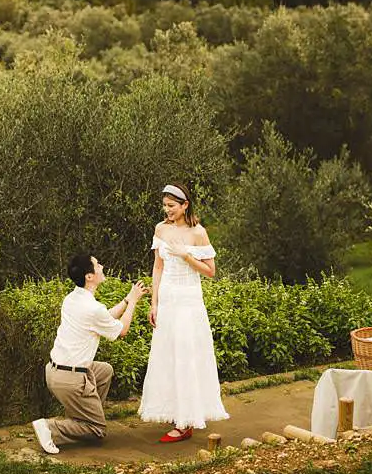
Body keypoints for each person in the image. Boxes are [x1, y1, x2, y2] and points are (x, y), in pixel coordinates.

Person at [138, 182, 228, 442]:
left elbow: (211, 272)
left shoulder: (198, 233)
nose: (167, 211)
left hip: (189, 301)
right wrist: (154, 303)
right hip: (167, 299)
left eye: (172, 206)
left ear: (185, 205)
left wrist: (186, 256)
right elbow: (157, 267)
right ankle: (174, 410)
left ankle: (186, 421)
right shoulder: (160, 229)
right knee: (167, 355)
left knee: (186, 355)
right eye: (165, 206)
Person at [31, 252, 147, 454]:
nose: (101, 266)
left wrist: (127, 300)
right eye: (97, 265)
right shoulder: (93, 308)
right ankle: (52, 428)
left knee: (104, 371)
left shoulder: (72, 299)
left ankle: (83, 417)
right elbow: (121, 330)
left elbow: (105, 319)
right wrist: (135, 301)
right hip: (70, 379)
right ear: (89, 276)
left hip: (54, 372)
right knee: (98, 430)